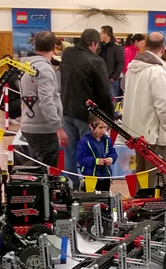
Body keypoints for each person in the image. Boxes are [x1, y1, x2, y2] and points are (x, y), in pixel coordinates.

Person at [59, 28, 114, 188]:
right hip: (87, 117)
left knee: (70, 153)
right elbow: (105, 92)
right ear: (94, 44)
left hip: (67, 111)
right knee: (92, 152)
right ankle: (92, 189)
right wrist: (110, 118)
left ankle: (72, 187)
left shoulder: (67, 54)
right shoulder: (96, 61)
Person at [121, 32, 166, 188]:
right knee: (155, 181)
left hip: (137, 132)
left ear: (145, 45)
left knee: (141, 176)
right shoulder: (157, 71)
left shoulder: (132, 68)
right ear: (163, 49)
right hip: (154, 135)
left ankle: (138, 203)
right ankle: (151, 205)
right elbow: (163, 105)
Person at [20, 31, 68, 168]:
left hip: (30, 125)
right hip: (43, 129)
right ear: (54, 47)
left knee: (38, 170)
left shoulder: (26, 65)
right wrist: (59, 128)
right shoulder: (45, 69)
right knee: (48, 172)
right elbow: (46, 101)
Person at [77, 114, 117, 192]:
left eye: (105, 127)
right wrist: (96, 161)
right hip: (91, 177)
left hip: (105, 176)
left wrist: (111, 159)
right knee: (90, 197)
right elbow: (80, 159)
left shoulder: (107, 140)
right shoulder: (84, 142)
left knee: (105, 197)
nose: (103, 130)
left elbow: (113, 153)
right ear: (91, 126)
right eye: (100, 127)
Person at [99, 25, 124, 99]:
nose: (99, 35)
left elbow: (121, 62)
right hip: (101, 79)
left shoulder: (117, 46)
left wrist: (114, 77)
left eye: (101, 33)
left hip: (111, 80)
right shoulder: (100, 46)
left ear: (105, 34)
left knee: (113, 101)